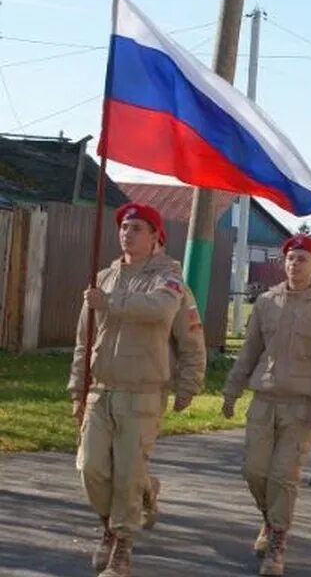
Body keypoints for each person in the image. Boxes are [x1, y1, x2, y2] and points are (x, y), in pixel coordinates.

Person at [221, 234, 311, 577]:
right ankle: (270, 518)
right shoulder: (266, 302)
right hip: (263, 401)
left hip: (301, 407)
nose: (295, 265)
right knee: (255, 471)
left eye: (303, 259)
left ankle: (278, 540)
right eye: (291, 259)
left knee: (283, 476)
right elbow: (249, 352)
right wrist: (232, 391)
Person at [68, 202, 185, 577]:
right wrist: (76, 389)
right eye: (123, 227)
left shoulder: (167, 277)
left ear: (155, 237)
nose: (127, 233)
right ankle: (115, 517)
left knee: (127, 473)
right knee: (91, 469)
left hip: (142, 392)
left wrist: (190, 381)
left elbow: (161, 310)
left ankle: (121, 544)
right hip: (101, 390)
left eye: (137, 228)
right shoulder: (102, 278)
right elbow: (84, 342)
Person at [141, 258, 206, 530]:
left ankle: (118, 535)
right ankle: (146, 489)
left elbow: (192, 341)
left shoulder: (175, 288)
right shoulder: (112, 278)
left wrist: (188, 384)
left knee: (131, 459)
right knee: (100, 464)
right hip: (109, 382)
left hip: (149, 385)